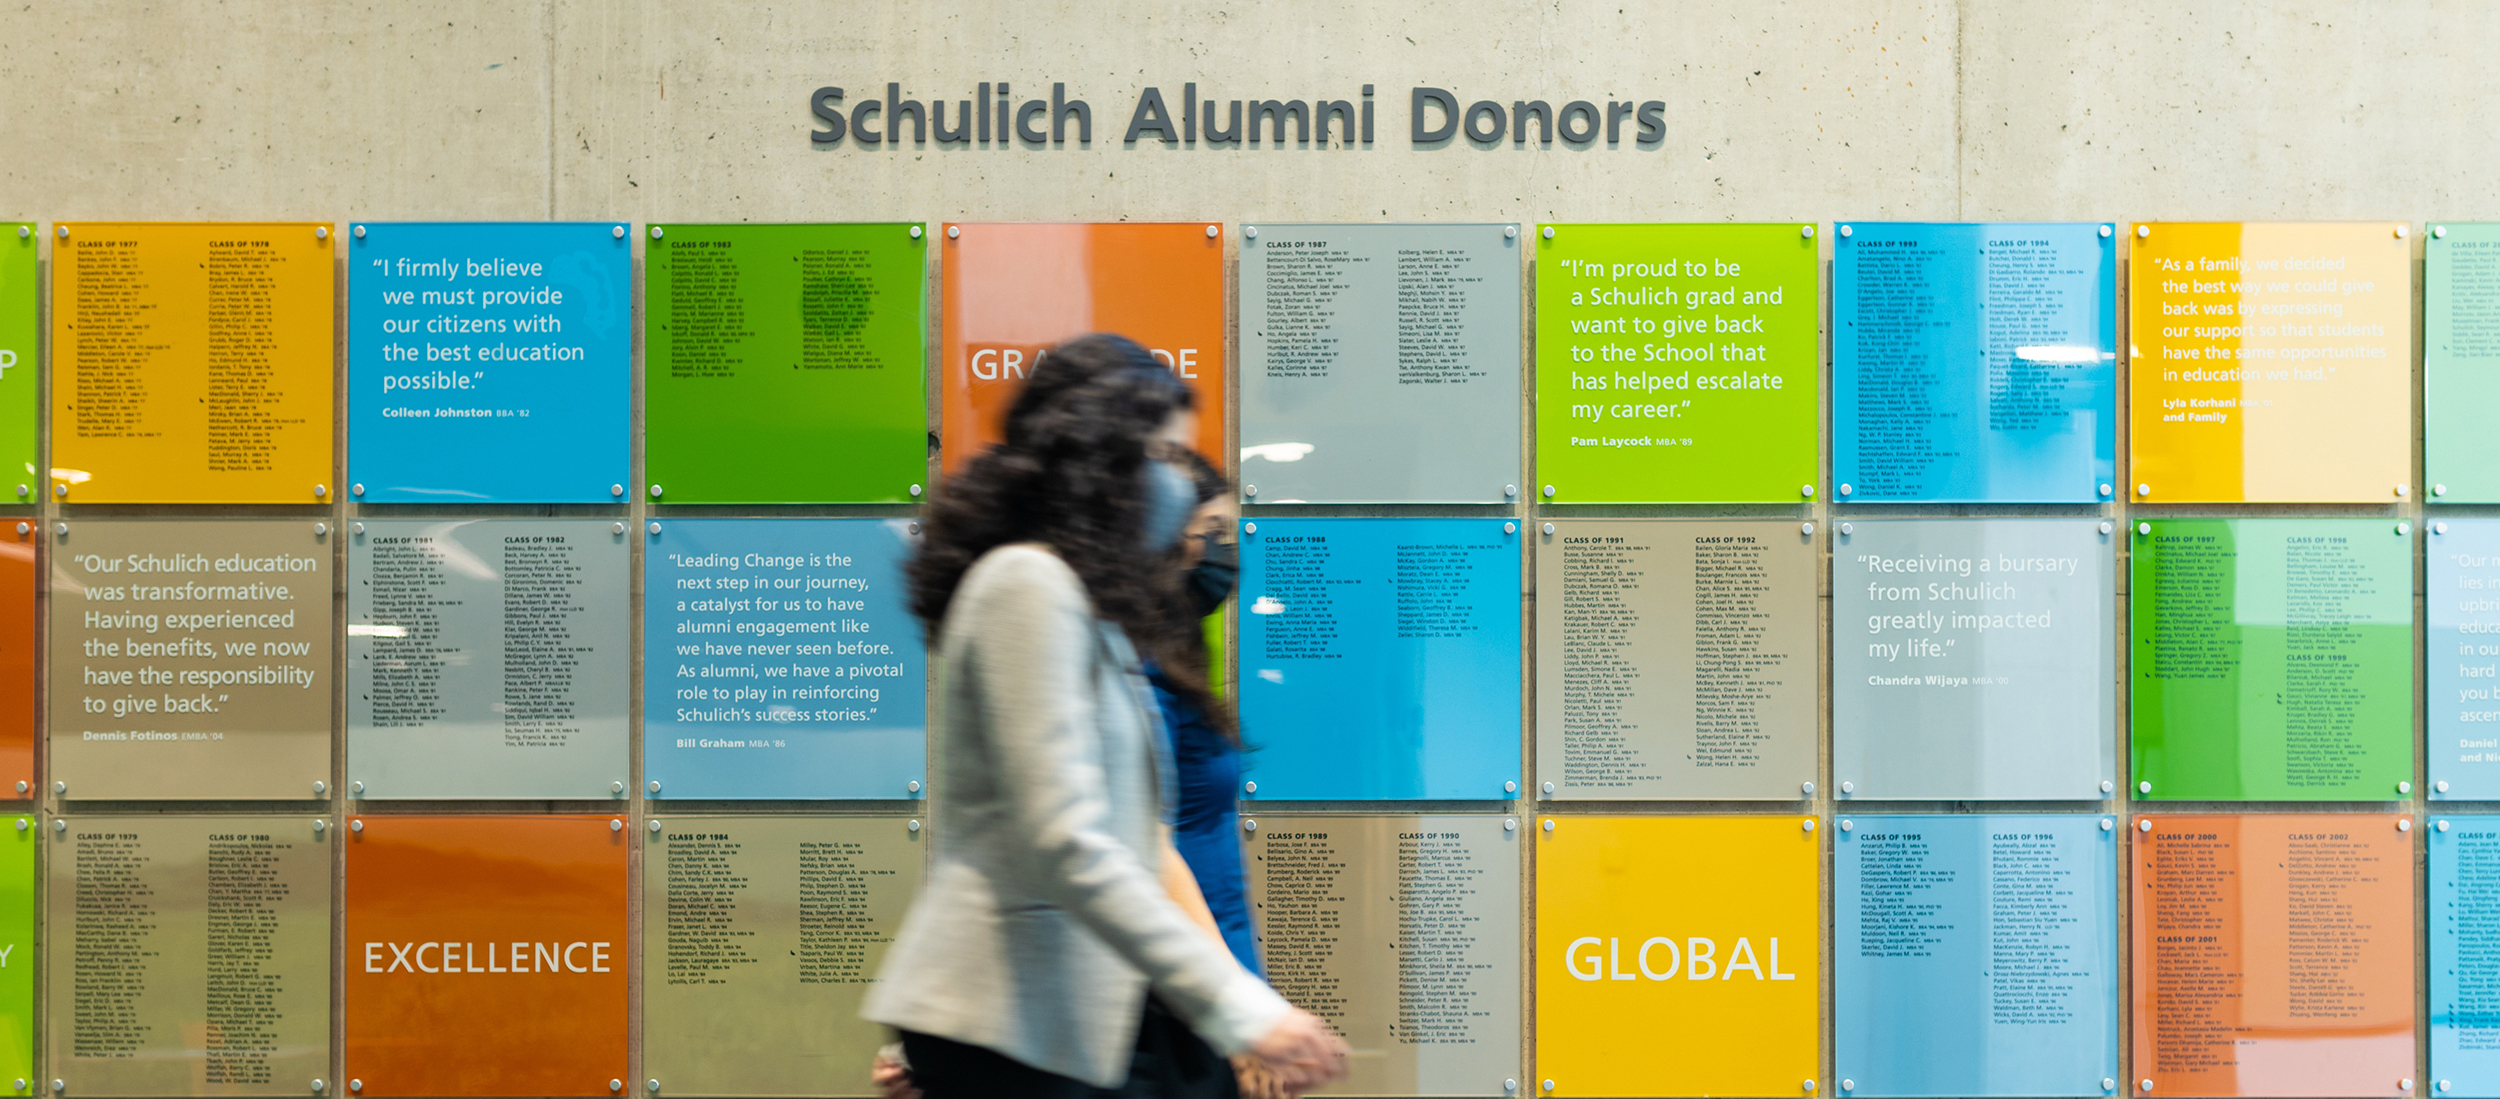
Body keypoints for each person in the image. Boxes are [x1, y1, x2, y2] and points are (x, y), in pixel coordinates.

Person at [864, 334, 1349, 1099]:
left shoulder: (1087, 604)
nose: (1177, 490)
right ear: (1103, 456)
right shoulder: (1028, 582)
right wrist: (1237, 1005)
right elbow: (1065, 837)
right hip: (1020, 1024)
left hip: (1058, 1018)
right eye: (1161, 454)